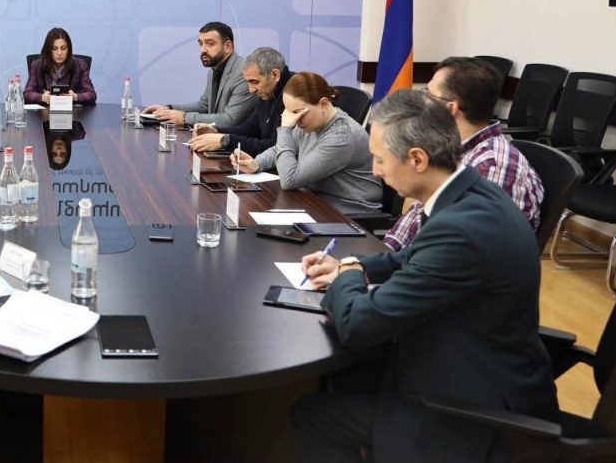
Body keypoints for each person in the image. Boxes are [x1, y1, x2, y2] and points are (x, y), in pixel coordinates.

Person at [292, 89, 557, 463]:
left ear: (417, 158)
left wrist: (347, 272)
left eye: (379, 159)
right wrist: (357, 264)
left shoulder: (460, 230)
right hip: (475, 362)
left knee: (312, 414)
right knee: (348, 376)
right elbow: (413, 258)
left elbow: (357, 324)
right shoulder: (470, 192)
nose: (375, 171)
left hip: (469, 411)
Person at [383, 56, 544, 251]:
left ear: (450, 108)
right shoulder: (447, 149)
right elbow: (414, 225)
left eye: (428, 95)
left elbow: (464, 252)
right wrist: (376, 256)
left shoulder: (493, 167)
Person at [232, 71, 381, 213]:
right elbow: (281, 148)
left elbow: (289, 180)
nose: (294, 120)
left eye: (297, 113)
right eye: (289, 113)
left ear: (323, 104)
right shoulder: (311, 122)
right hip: (316, 201)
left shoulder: (342, 135)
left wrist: (285, 129)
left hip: (349, 213)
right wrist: (257, 163)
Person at [141, 21, 255, 127]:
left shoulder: (244, 72)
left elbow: (230, 120)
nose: (203, 50)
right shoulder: (213, 70)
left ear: (228, 47)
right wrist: (168, 109)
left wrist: (184, 118)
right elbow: (204, 106)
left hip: (238, 140)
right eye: (201, 44)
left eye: (210, 44)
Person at [188, 46, 292, 156]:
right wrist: (216, 131)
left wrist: (226, 141)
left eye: (255, 82)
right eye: (248, 82)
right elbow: (250, 129)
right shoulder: (268, 91)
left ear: (275, 75)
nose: (251, 90)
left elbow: (275, 147)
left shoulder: (293, 95)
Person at [24, 27, 96, 105]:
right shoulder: (37, 65)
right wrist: (41, 97)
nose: (59, 53)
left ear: (69, 49)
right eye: (54, 48)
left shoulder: (80, 65)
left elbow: (92, 95)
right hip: (45, 111)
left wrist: (75, 97)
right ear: (48, 50)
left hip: (72, 111)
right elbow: (27, 94)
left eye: (63, 48)